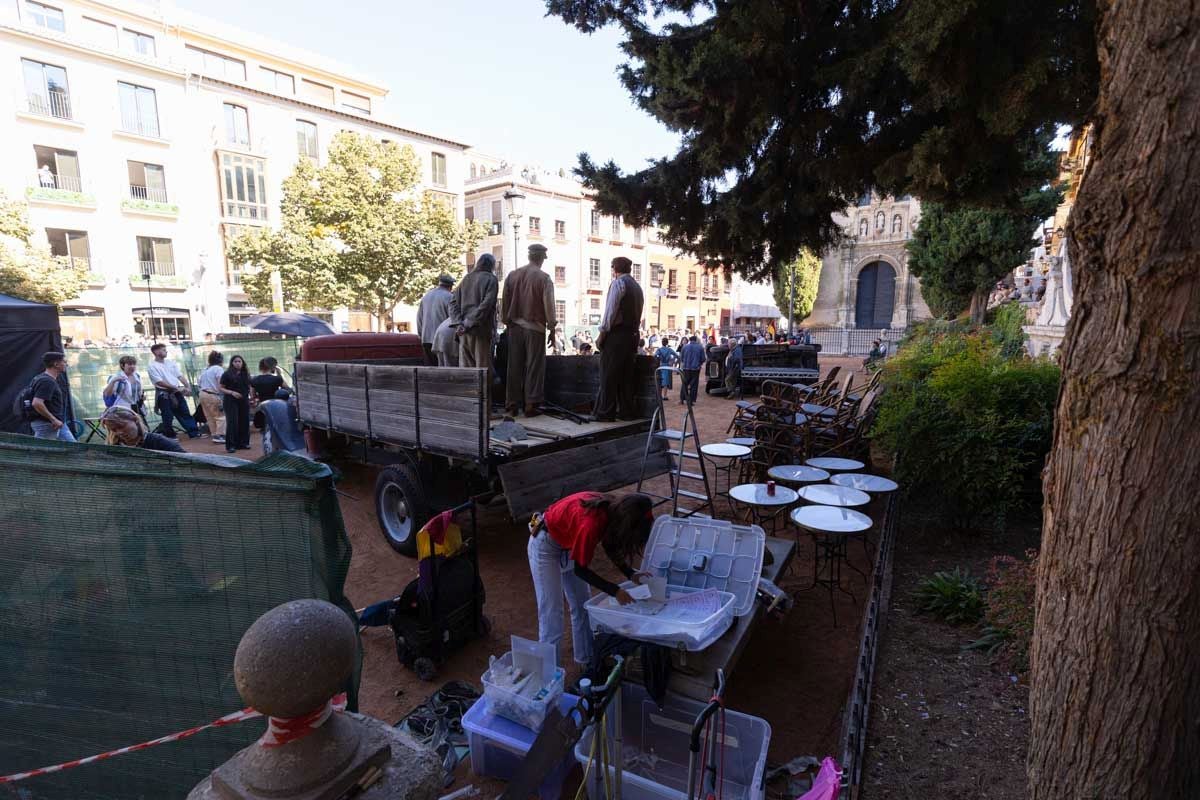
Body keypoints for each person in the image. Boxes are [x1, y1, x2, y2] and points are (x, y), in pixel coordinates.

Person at [528, 491, 654, 666]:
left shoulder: (613, 510)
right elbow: (581, 570)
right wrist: (615, 591)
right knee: (552, 614)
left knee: (582, 607)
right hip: (545, 544)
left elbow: (609, 543)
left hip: (568, 543)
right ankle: (549, 678)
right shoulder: (591, 524)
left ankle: (585, 663)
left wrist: (630, 573)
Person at [501, 243, 557, 417]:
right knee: (534, 367)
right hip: (535, 328)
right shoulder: (544, 278)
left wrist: (506, 321)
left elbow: (504, 302)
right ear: (541, 259)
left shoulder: (512, 275)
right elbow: (549, 305)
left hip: (514, 327)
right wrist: (552, 328)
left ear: (529, 256)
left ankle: (511, 405)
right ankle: (531, 405)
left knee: (514, 367)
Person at [593, 257, 646, 422]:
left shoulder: (618, 284)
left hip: (617, 335)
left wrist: (601, 336)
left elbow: (610, 313)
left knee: (608, 375)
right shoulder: (637, 287)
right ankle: (626, 411)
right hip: (632, 335)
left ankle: (606, 412)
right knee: (626, 376)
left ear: (614, 268)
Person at [451, 253, 499, 371]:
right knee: (483, 371)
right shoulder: (491, 279)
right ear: (492, 265)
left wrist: (459, 323)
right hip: (480, 331)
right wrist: (467, 323)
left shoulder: (467, 278)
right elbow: (486, 305)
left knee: (467, 372)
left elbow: (452, 303)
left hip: (464, 333)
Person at [147, 343, 200, 439]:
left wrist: (187, 386)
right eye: (163, 350)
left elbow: (179, 375)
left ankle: (194, 432)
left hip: (176, 392)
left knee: (184, 412)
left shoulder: (171, 363)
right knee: (167, 416)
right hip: (164, 394)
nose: (166, 351)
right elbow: (159, 382)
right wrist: (176, 388)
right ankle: (170, 436)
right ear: (156, 352)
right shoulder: (152, 366)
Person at [27, 351, 75, 442]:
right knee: (42, 452)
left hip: (57, 423)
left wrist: (56, 420)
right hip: (47, 424)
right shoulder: (47, 381)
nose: (66, 364)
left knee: (73, 447)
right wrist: (53, 419)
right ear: (56, 364)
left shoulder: (42, 378)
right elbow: (37, 403)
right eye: (64, 362)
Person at [99, 405, 184, 453]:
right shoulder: (112, 448)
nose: (119, 432)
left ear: (135, 420)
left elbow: (186, 458)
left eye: (122, 426)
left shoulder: (157, 441)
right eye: (113, 430)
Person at [417, 274, 455, 364]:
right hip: (441, 340)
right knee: (443, 369)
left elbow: (419, 318)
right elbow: (453, 318)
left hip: (426, 339)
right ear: (450, 286)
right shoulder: (449, 297)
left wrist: (421, 336)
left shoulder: (427, 295)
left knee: (431, 369)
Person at [219, 354, 252, 453]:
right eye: (235, 361)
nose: (238, 363)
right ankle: (231, 446)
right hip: (230, 401)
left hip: (244, 400)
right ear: (232, 363)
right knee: (232, 422)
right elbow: (221, 388)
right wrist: (232, 393)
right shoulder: (227, 374)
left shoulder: (245, 373)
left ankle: (243, 443)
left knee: (245, 421)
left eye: (239, 361)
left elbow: (249, 386)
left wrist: (252, 396)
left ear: (243, 363)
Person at [197, 352, 226, 445]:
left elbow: (199, 383)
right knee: (221, 416)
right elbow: (221, 383)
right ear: (221, 360)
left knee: (209, 416)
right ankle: (220, 435)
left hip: (202, 394)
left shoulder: (205, 369)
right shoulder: (218, 369)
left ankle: (214, 435)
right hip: (212, 394)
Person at [678, 335, 706, 405]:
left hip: (686, 368)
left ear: (690, 340)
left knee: (684, 383)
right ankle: (691, 401)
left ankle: (682, 399)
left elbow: (681, 358)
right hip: (695, 369)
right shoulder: (700, 347)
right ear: (696, 340)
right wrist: (699, 363)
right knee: (694, 385)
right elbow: (703, 358)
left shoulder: (685, 347)